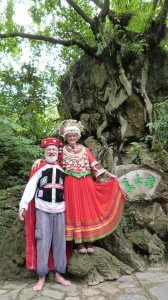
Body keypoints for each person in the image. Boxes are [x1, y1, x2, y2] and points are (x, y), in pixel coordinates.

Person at [33, 120, 126, 255]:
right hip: (70, 184)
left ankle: (89, 241)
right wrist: (39, 161)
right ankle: (79, 243)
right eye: (69, 136)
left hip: (85, 183)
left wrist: (109, 174)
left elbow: (95, 165)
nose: (71, 138)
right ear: (66, 137)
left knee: (86, 209)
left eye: (74, 136)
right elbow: (51, 160)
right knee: (74, 210)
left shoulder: (85, 150)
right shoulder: (62, 151)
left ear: (77, 136)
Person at [19, 137, 71, 292]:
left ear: (58, 152)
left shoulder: (64, 167)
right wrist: (23, 205)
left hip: (61, 208)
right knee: (42, 241)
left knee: (60, 242)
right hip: (42, 208)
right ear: (45, 152)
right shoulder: (40, 167)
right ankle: (41, 277)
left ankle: (59, 274)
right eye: (48, 149)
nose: (51, 151)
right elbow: (30, 187)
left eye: (54, 149)